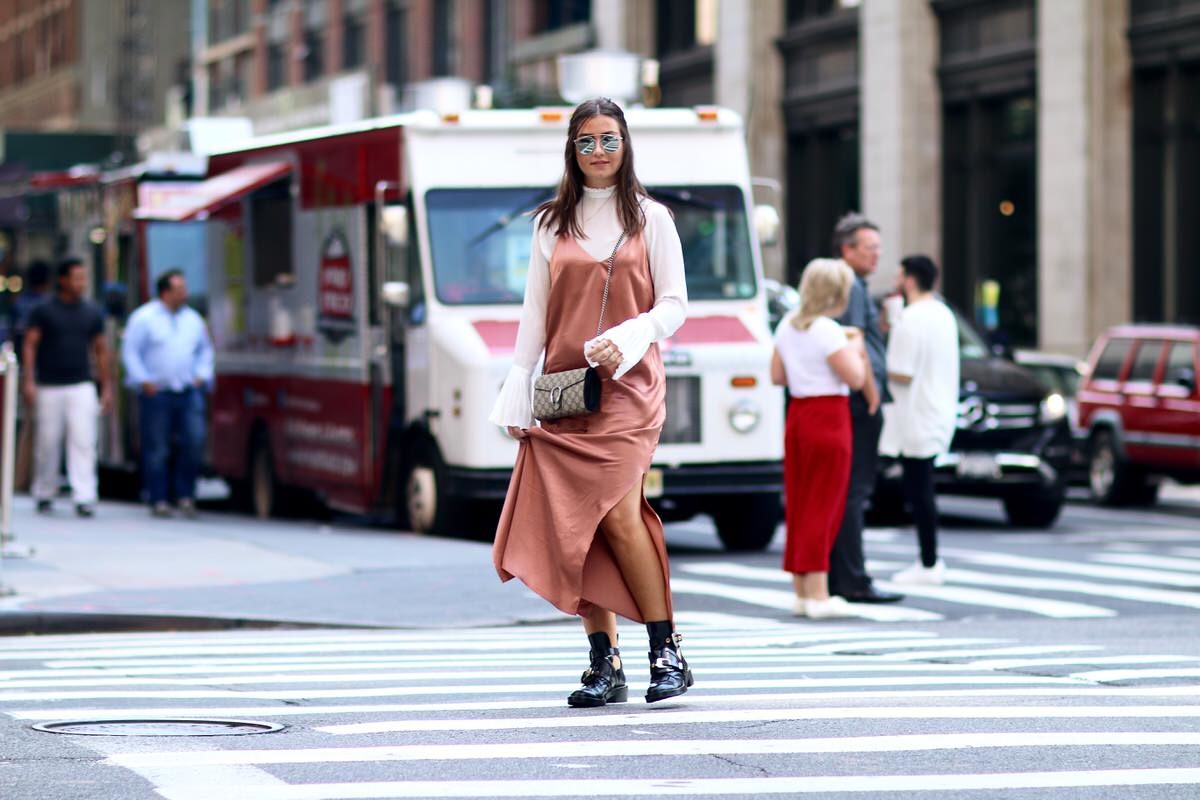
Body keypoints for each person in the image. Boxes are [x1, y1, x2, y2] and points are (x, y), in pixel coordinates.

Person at [489, 97, 691, 707]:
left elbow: (675, 305)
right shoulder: (550, 223)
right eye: (586, 141)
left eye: (609, 139)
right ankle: (605, 664)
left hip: (630, 392)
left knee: (623, 517)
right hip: (565, 393)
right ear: (571, 150)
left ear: (626, 146)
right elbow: (534, 319)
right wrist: (517, 392)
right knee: (578, 527)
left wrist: (631, 335)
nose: (598, 152)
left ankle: (667, 652)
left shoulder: (652, 219)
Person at [771, 259, 872, 619]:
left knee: (800, 500)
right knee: (825, 503)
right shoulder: (829, 330)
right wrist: (857, 349)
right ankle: (818, 593)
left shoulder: (787, 325)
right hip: (829, 416)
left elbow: (777, 375)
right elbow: (856, 378)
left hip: (798, 414)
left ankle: (802, 589)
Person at [829, 213, 903, 604]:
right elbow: (852, 342)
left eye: (877, 247)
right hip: (859, 398)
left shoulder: (848, 284)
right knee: (855, 491)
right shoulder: (850, 286)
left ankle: (842, 576)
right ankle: (853, 578)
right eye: (870, 248)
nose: (877, 255)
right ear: (848, 249)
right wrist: (873, 393)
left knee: (846, 491)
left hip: (850, 398)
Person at [882, 255, 960, 585]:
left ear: (910, 280)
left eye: (900, 275)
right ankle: (928, 561)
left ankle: (928, 563)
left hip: (913, 416)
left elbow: (900, 371)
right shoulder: (944, 314)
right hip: (939, 410)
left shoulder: (911, 318)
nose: (896, 281)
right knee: (922, 488)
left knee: (919, 491)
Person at [21, 257, 111, 517]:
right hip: (49, 384)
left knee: (84, 441)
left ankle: (85, 495)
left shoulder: (91, 311)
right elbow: (30, 344)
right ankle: (44, 491)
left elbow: (101, 350)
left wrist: (106, 387)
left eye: (84, 277)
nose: (81, 283)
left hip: (81, 383)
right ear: (63, 280)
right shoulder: (43, 309)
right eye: (77, 277)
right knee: (48, 442)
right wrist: (29, 380)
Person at [122, 269, 214, 518]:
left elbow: (205, 351)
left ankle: (185, 495)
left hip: (187, 390)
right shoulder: (144, 318)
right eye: (179, 289)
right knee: (157, 448)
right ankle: (158, 498)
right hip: (157, 392)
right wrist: (143, 380)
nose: (185, 293)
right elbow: (131, 352)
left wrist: (202, 375)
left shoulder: (193, 319)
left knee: (193, 442)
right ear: (165, 292)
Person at [12, 260, 51, 492]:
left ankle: (23, 477)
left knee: (30, 425)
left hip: (28, 371)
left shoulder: (20, 303)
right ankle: (27, 478)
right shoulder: (46, 305)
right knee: (37, 427)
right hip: (41, 371)